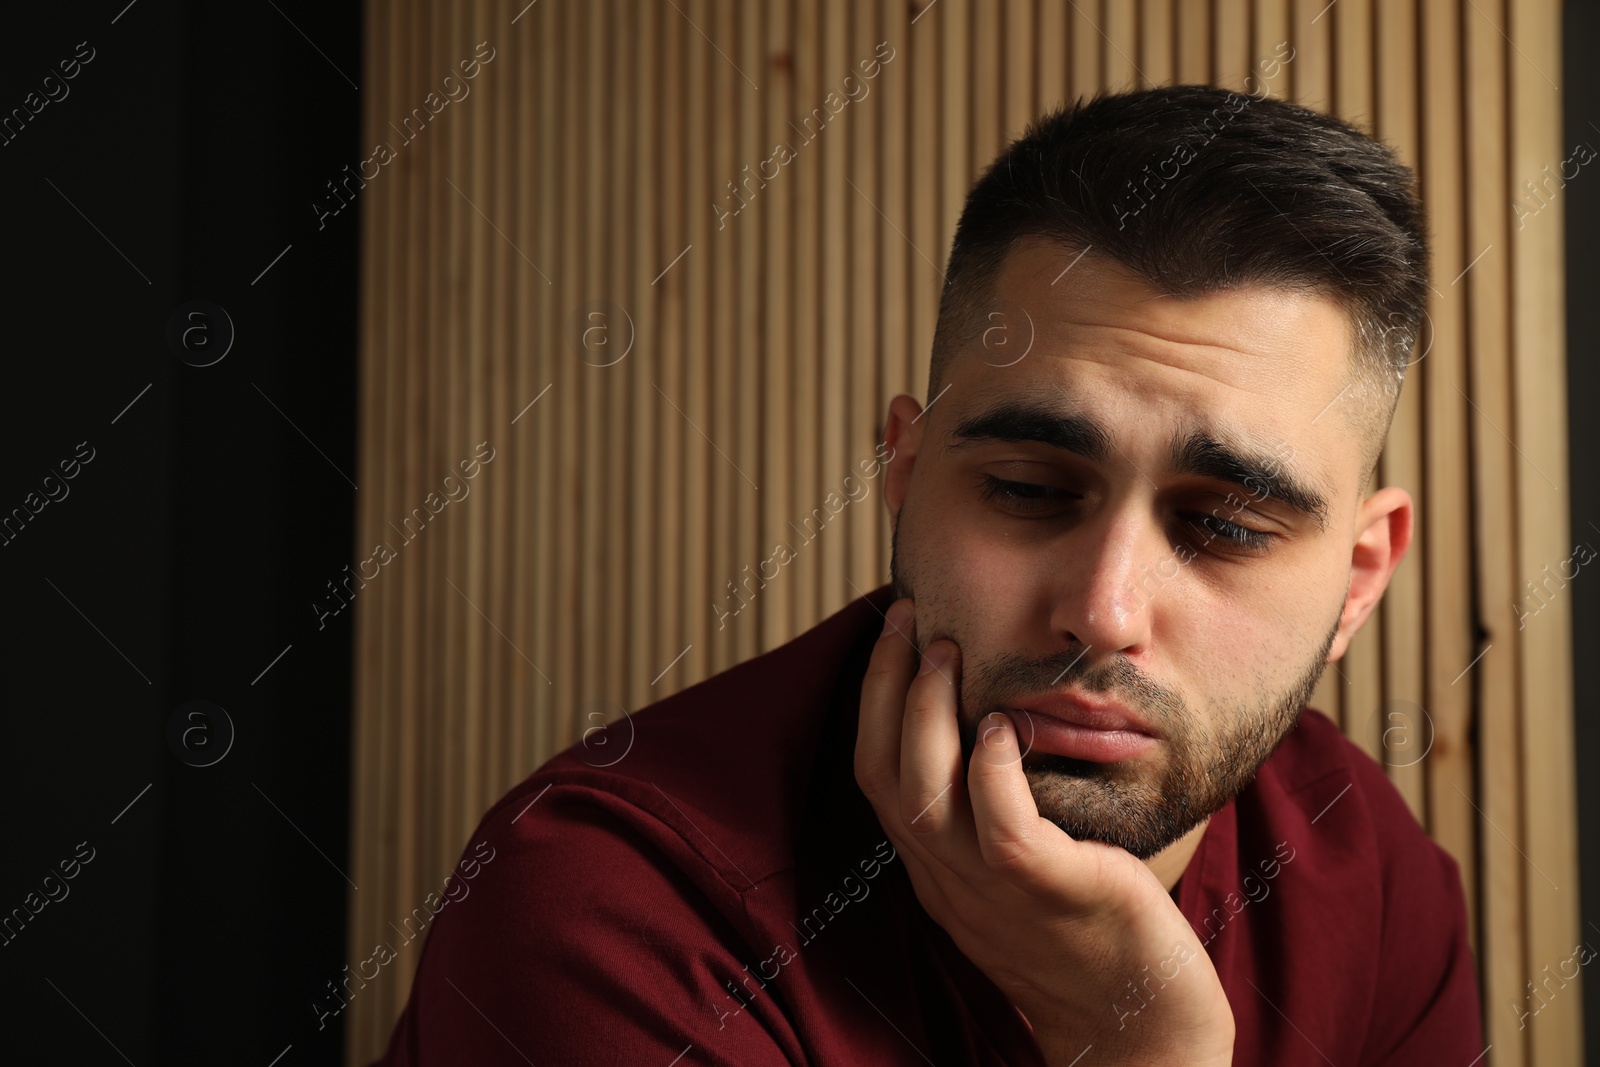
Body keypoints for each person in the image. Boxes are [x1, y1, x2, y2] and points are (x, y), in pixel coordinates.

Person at [370, 84, 1483, 1066]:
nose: (1102, 608)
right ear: (904, 472)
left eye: (1228, 525)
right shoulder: (611, 907)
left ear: (1357, 579)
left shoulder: (1372, 880)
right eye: (1030, 490)